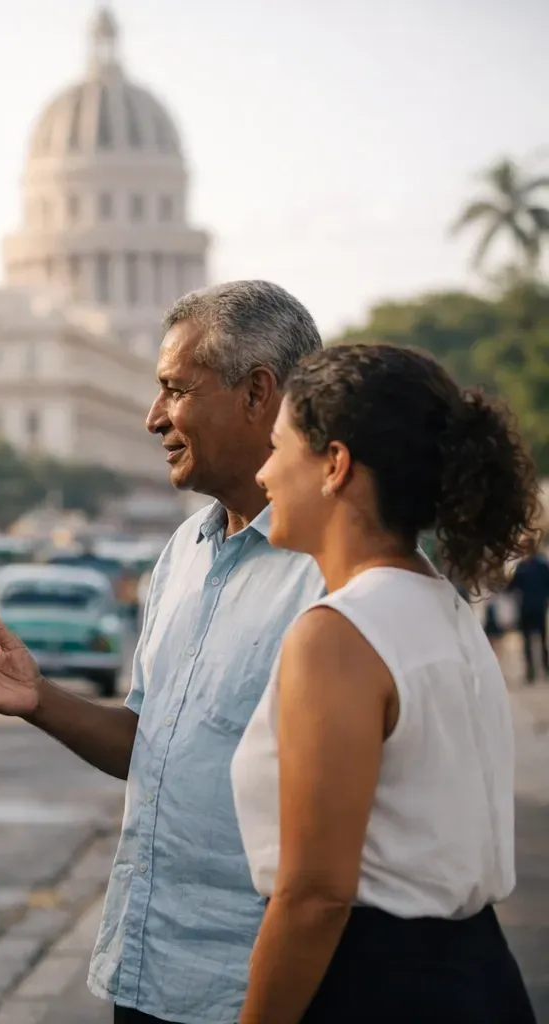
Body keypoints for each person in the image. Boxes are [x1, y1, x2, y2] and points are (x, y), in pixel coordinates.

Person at [0, 281, 327, 1023]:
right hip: (146, 970)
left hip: (255, 989)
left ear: (257, 393)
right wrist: (39, 699)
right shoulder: (184, 553)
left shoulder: (329, 569)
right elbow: (152, 743)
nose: (152, 419)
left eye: (175, 390)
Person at [231, 343, 537, 1022]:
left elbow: (314, 897)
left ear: (334, 465)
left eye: (279, 447)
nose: (265, 473)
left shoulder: (340, 634)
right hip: (483, 978)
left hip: (377, 987)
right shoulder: (444, 610)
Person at [507, 548, 549, 682]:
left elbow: (512, 586)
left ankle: (531, 672)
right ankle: (544, 669)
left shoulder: (523, 567)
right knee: (541, 640)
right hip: (539, 607)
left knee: (528, 641)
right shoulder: (542, 566)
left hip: (526, 607)